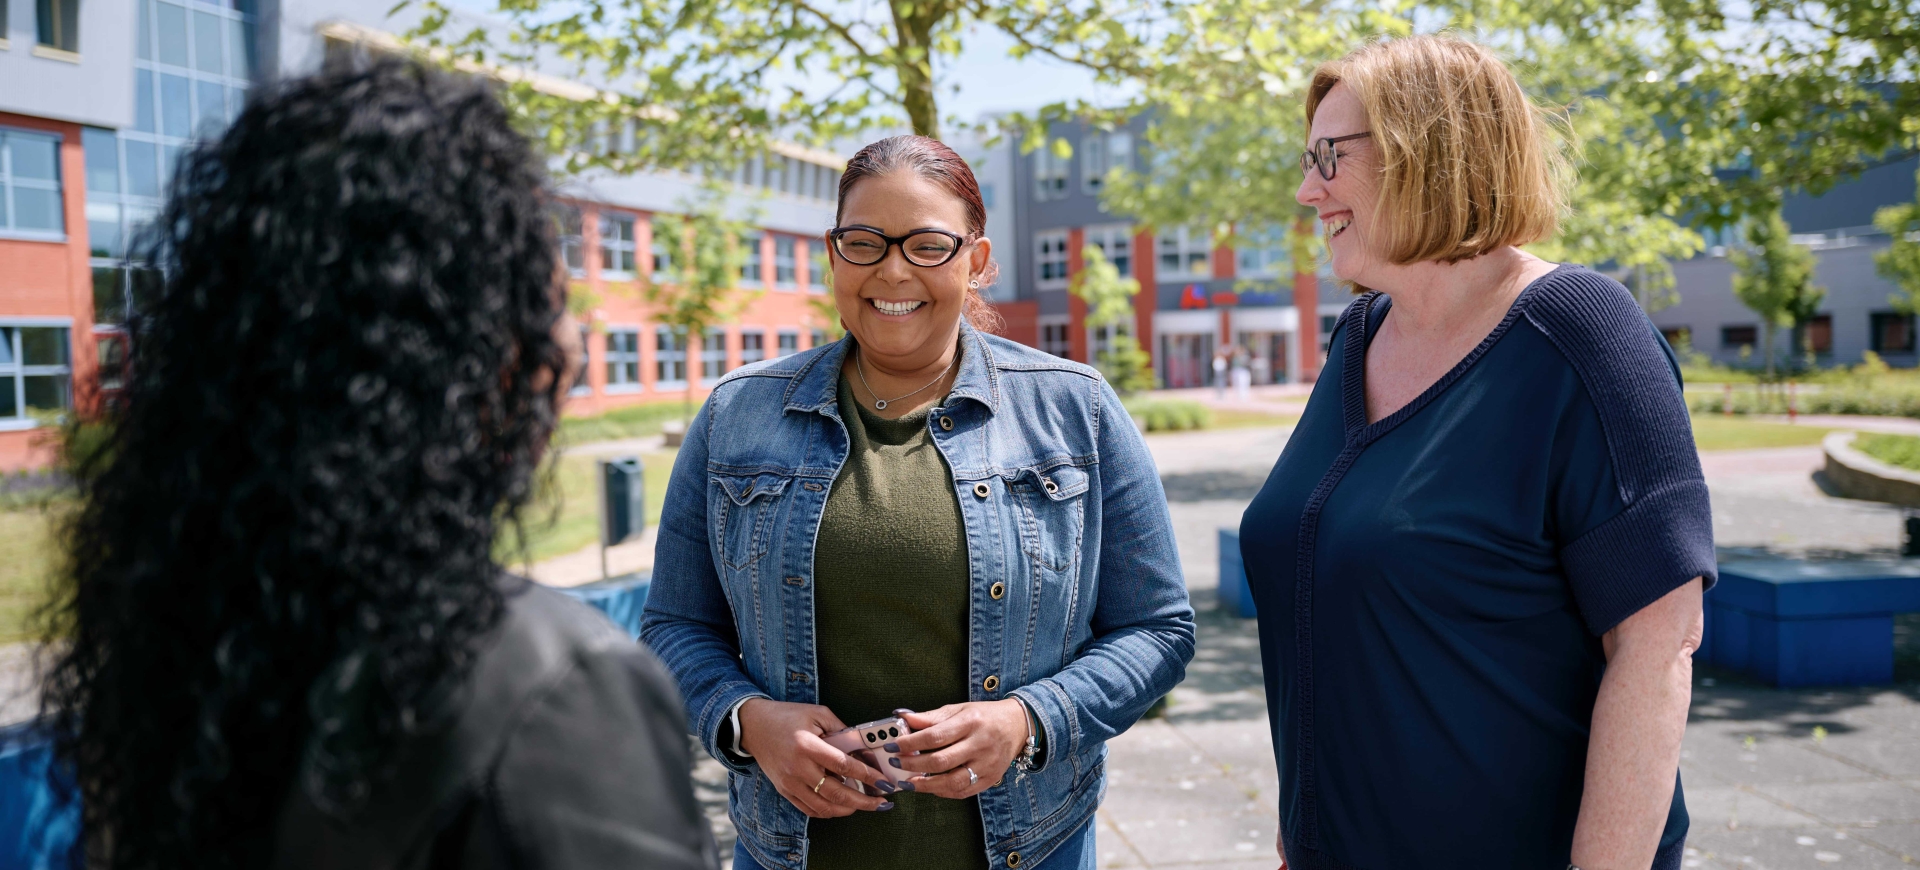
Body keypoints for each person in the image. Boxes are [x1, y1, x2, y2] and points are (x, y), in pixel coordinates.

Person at [40, 61, 717, 870]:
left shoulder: (182, 654)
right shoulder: (555, 687)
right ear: (473, 357)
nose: (569, 346)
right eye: (550, 304)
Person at [641, 135, 1195, 870]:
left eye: (929, 244)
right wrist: (748, 723)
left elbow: (1157, 629)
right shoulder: (736, 415)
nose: (892, 269)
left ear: (978, 260)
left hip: (1031, 847)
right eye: (864, 242)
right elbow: (674, 625)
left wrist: (1028, 721)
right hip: (790, 852)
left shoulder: (1077, 410)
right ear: (833, 254)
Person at [1239, 35, 1713, 870]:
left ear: (1427, 150)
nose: (1307, 188)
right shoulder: (1358, 337)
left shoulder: (1581, 332)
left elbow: (1657, 643)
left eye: (1329, 156)